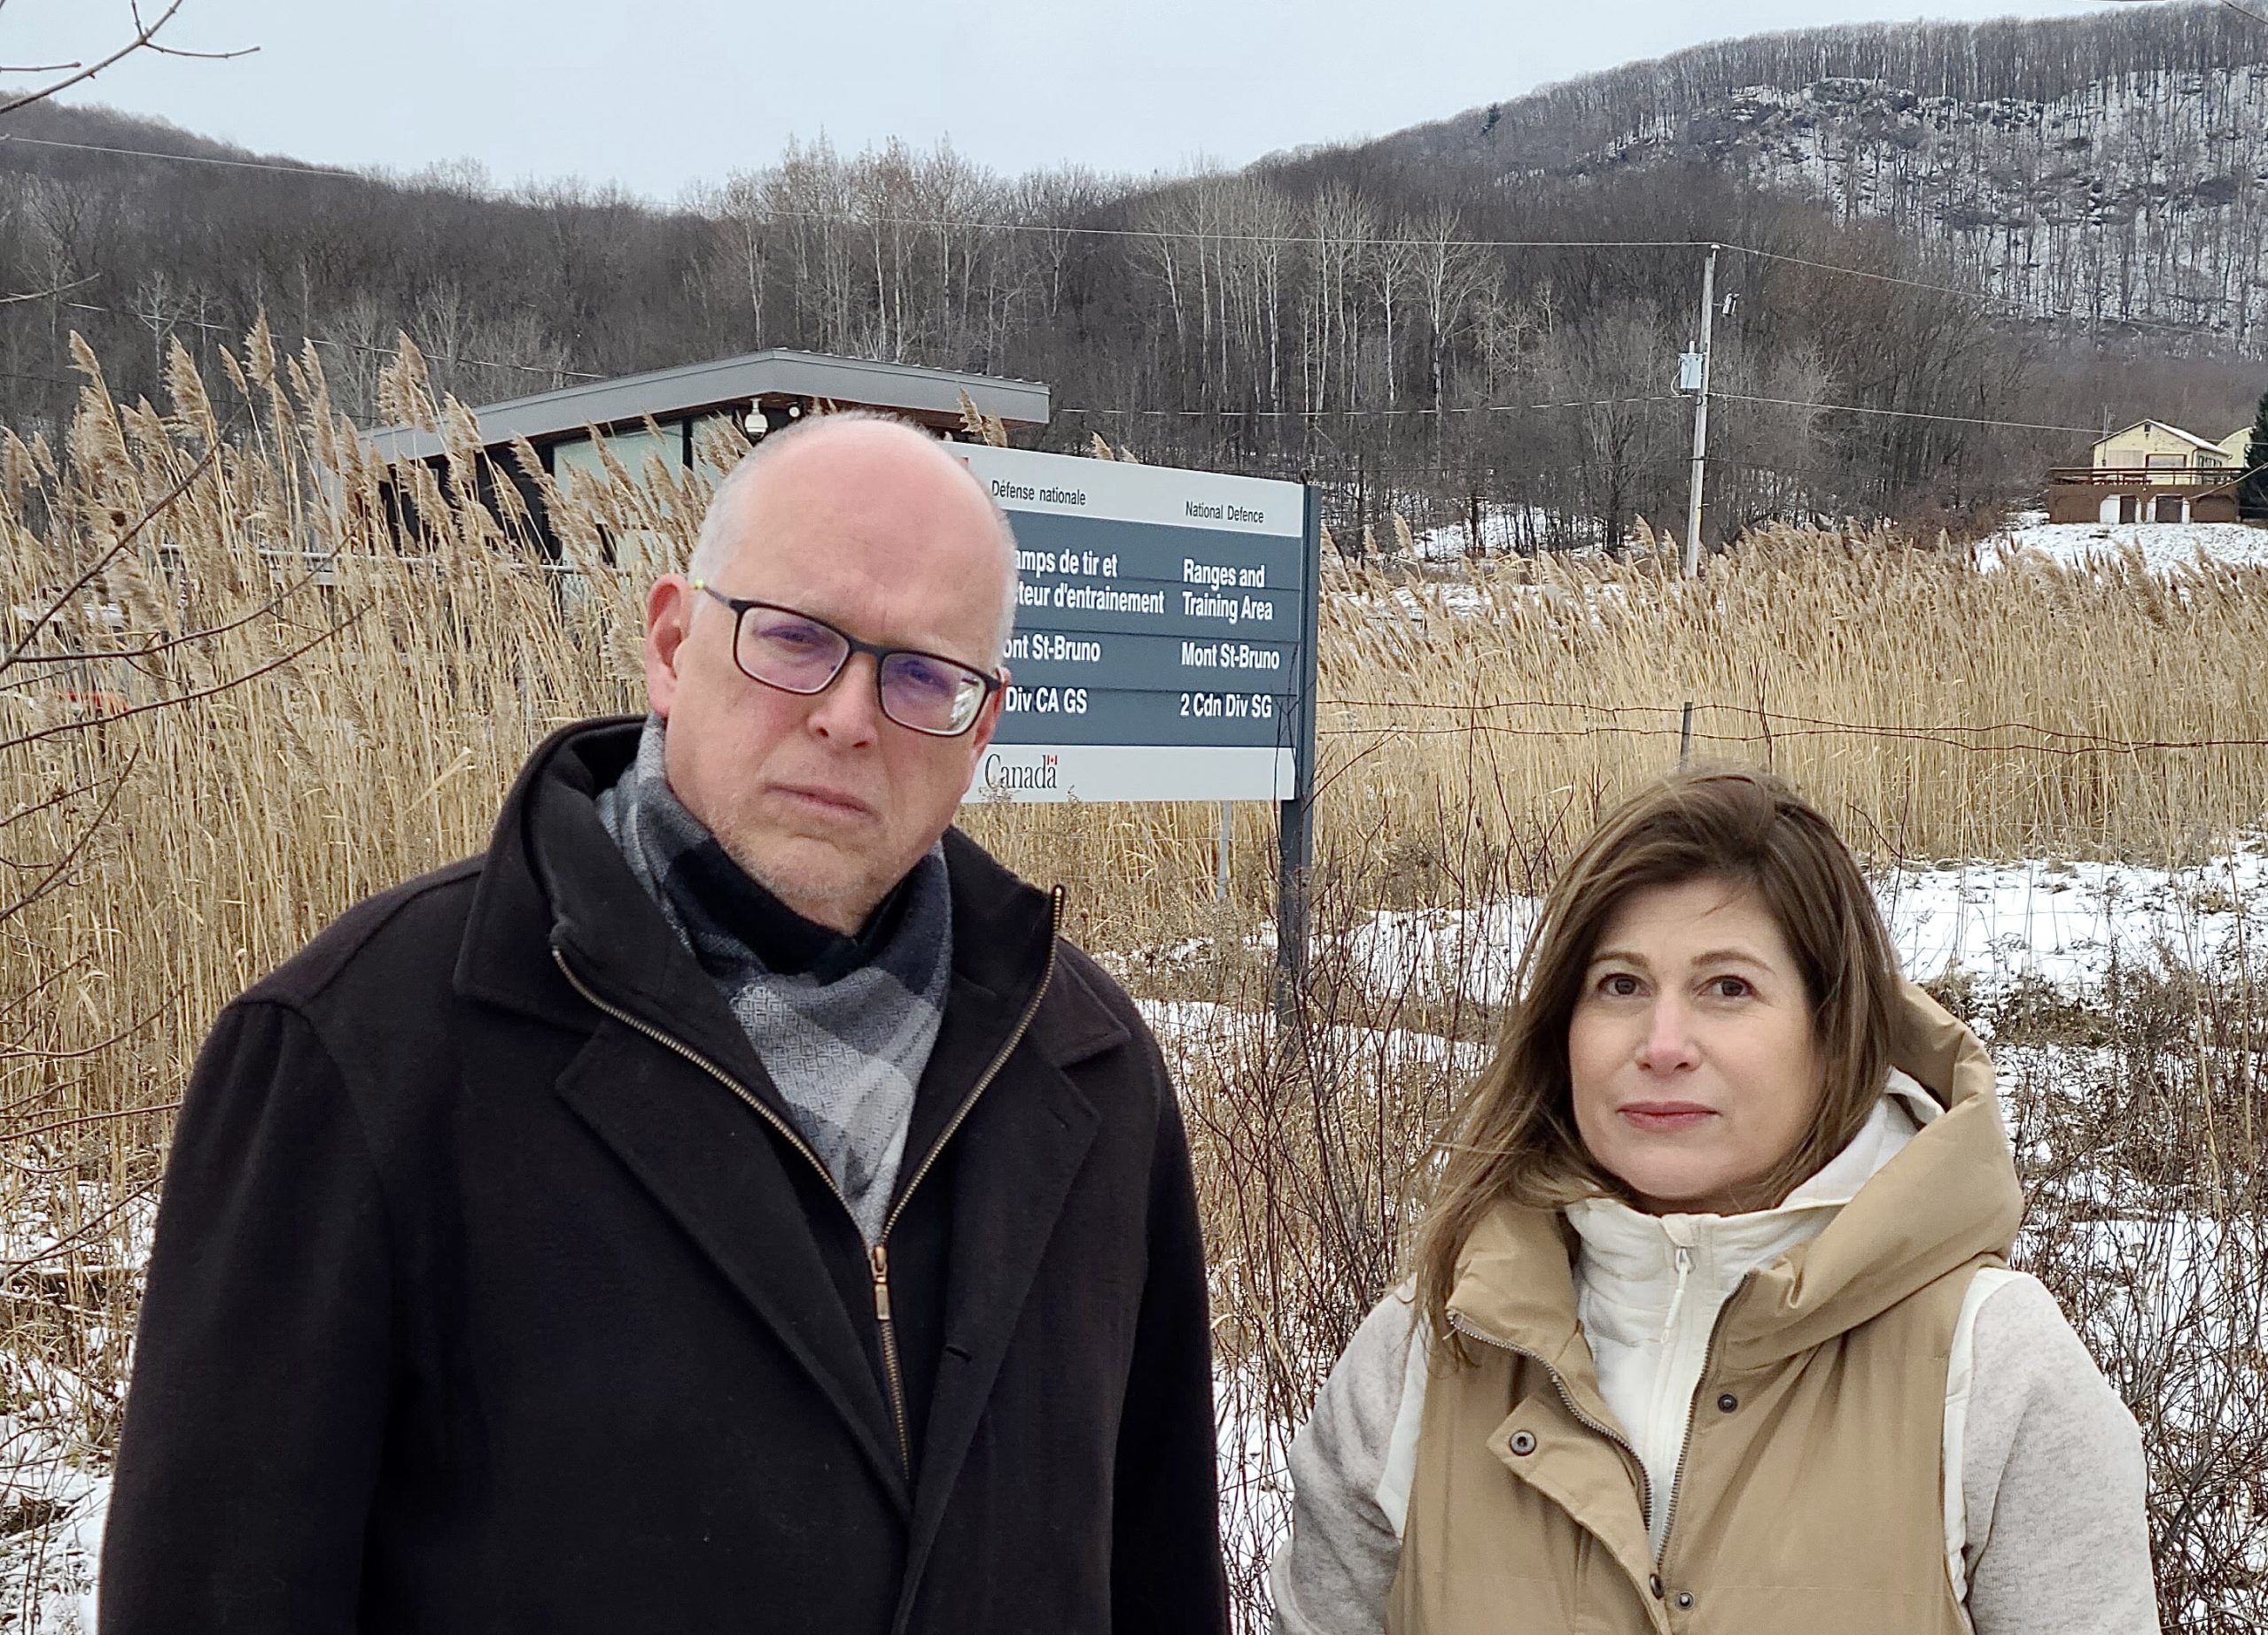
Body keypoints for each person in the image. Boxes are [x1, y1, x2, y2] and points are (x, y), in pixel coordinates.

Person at [99, 412, 1227, 1633]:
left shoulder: (1087, 1071)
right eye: (794, 639)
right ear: (673, 642)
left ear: (984, 726)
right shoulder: (359, 1051)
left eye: (922, 674)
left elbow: (1157, 1571)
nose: (850, 715)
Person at [1270, 770, 2156, 1635]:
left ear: (1832, 1030)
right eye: (1619, 984)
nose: (1661, 1044)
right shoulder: (1429, 1350)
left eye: (1727, 987)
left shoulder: (1994, 1370)